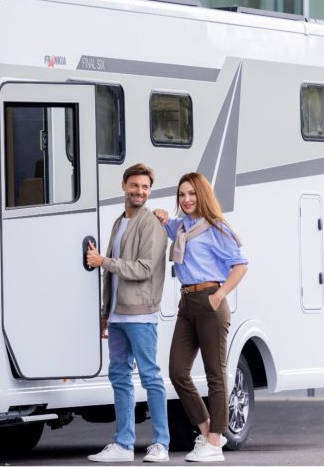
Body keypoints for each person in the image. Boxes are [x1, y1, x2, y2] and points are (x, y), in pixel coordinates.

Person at [152, 173, 248, 464]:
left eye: (192, 194)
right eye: (182, 194)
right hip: (187, 302)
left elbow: (241, 266)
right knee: (177, 371)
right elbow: (167, 225)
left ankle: (216, 443)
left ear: (202, 195)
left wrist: (218, 296)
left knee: (215, 374)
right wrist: (161, 216)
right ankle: (206, 433)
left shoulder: (216, 228)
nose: (187, 199)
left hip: (209, 301)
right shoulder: (181, 227)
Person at [85, 164, 170, 464]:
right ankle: (123, 444)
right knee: (119, 377)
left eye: (145, 187)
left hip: (141, 314)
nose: (140, 192)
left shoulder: (152, 224)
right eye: (135, 186)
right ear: (123, 186)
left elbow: (144, 268)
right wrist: (105, 313)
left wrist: (103, 261)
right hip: (119, 315)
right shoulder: (120, 221)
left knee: (150, 377)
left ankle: (161, 444)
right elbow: (112, 279)